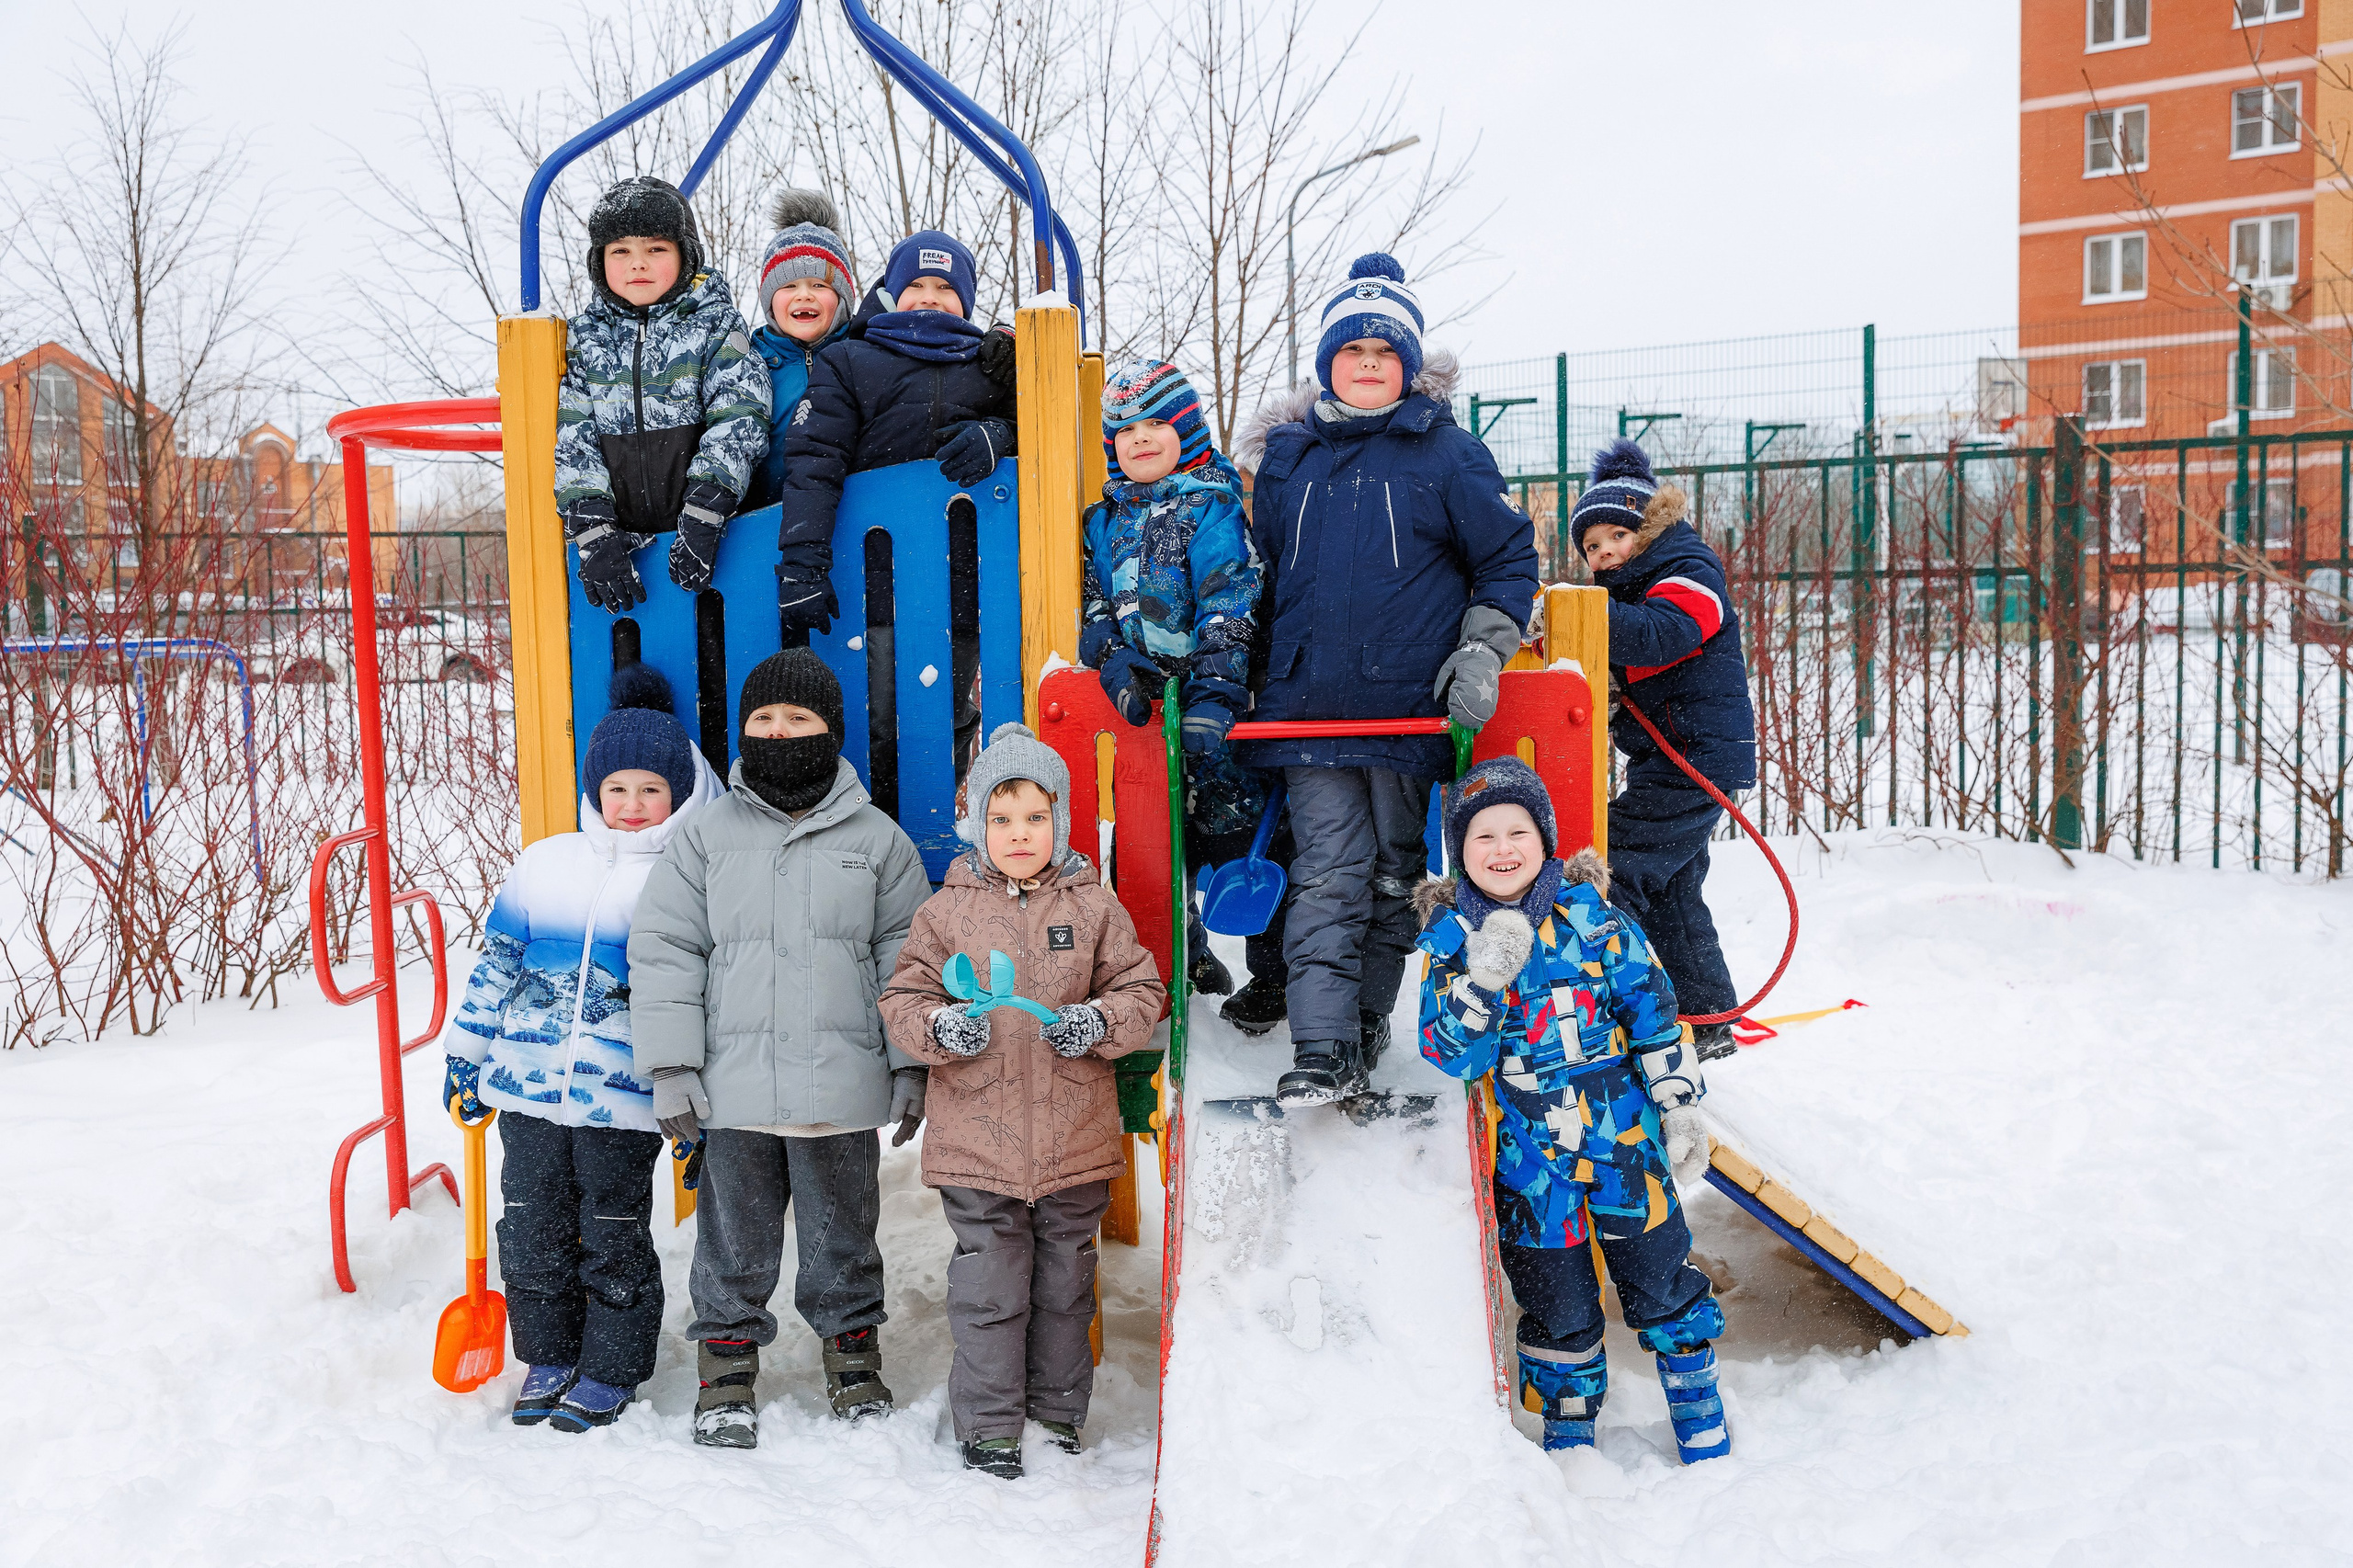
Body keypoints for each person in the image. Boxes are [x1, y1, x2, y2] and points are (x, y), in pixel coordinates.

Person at [1231, 253, 1539, 1106]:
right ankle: (1322, 1044)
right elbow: (1261, 575)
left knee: (1394, 876)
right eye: (1351, 349)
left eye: (1385, 351)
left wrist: (1481, 650)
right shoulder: (1289, 460)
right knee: (1328, 869)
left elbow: (1509, 559)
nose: (1368, 363)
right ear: (1328, 362)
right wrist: (1238, 674)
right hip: (1307, 712)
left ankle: (1366, 1023)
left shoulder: (1448, 455)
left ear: (1409, 367)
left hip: (1408, 714)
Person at [627, 649, 933, 1449]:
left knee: (843, 1233)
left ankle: (852, 1354)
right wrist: (671, 1066)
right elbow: (666, 951)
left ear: (830, 731)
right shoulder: (706, 838)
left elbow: (909, 959)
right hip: (733, 1091)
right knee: (733, 1237)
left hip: (842, 1087)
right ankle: (725, 1369)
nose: (779, 732)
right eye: (763, 720)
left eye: (797, 719)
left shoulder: (877, 840)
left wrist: (909, 1064)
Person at [1414, 756, 1730, 1463]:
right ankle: (1570, 1424)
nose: (1502, 850)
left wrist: (1679, 1108)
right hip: (1533, 1166)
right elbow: (1450, 1055)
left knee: (1659, 1273)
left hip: (1625, 1144)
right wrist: (1483, 981)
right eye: (1482, 837)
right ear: (1460, 854)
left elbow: (1654, 1015)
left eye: (1516, 832)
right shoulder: (1451, 941)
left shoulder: (1595, 920)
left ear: (1544, 838)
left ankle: (1696, 1397)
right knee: (1555, 1299)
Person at [439, 664, 722, 1432]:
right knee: (528, 1225)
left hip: (624, 1102)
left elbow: (708, 998)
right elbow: (498, 963)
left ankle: (611, 1366)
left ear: (680, 795)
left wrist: (704, 1102)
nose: (632, 807)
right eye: (618, 790)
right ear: (595, 792)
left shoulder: (688, 879)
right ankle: (550, 1353)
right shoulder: (545, 863)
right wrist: (465, 1052)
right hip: (525, 1091)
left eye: (651, 791)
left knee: (613, 1232)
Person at [878, 722, 1165, 1480]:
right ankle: (993, 1424)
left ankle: (1058, 1415)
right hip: (978, 1142)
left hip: (1074, 1139)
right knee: (990, 1288)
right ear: (976, 824)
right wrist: (941, 1028)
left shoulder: (1094, 907)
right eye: (1001, 819)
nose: (1018, 834)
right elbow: (904, 997)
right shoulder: (946, 913)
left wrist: (1098, 1021)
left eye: (1035, 817)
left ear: (1060, 820)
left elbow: (1142, 991)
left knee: (1067, 1290)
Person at [1077, 357, 1285, 1012]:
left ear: (1187, 430)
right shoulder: (1102, 521)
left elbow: (1232, 599)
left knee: (1240, 842)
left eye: (1154, 425)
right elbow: (1092, 607)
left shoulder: (1212, 509)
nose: (1139, 439)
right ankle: (1184, 956)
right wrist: (1113, 662)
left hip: (1211, 715)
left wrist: (1219, 690)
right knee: (1154, 850)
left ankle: (1273, 974)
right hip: (1142, 712)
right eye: (1125, 431)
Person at [776, 230, 1018, 778]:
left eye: (945, 287)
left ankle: (938, 827)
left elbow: (1045, 428)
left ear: (968, 301)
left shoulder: (989, 364)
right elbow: (814, 461)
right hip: (877, 574)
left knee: (951, 708)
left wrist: (999, 437)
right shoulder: (850, 360)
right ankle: (875, 828)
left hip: (964, 574)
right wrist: (802, 564)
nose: (930, 297)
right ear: (891, 291)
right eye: (916, 285)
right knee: (878, 709)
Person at [1572, 439, 1758, 1060]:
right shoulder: (1635, 588)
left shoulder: (1687, 569)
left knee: (1615, 864)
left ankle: (1593, 1005)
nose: (1602, 556)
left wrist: (1585, 613)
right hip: (1678, 756)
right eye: (1591, 549)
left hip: (1698, 757)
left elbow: (1663, 637)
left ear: (1644, 529)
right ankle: (1708, 1018)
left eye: (1612, 539)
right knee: (1675, 888)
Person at [553, 176, 771, 615]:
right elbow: (574, 435)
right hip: (627, 547)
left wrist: (707, 507)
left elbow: (740, 413)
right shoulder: (585, 341)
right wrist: (592, 528)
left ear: (684, 256)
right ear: (599, 263)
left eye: (655, 249)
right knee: (632, 658)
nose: (638, 264)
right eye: (620, 251)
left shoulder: (713, 326)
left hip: (712, 533)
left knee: (715, 646)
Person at [741, 188, 858, 511]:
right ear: (769, 300)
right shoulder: (747, 364)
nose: (803, 295)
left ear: (844, 298)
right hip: (764, 520)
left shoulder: (863, 354)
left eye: (819, 285)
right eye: (789, 286)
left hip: (856, 514)